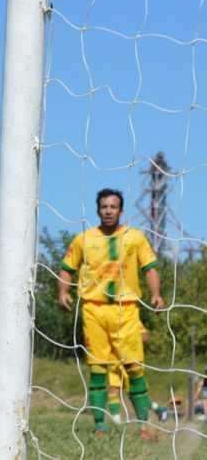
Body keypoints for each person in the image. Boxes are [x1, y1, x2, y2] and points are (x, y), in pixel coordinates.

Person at [58, 188, 164, 440]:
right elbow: (66, 268)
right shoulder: (83, 239)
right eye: (104, 207)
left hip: (126, 311)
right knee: (97, 369)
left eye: (113, 207)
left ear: (121, 211)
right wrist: (62, 292)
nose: (108, 211)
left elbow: (150, 268)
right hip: (93, 310)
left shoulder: (135, 238)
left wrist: (156, 294)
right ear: (98, 210)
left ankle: (144, 426)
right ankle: (99, 425)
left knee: (134, 368)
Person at [107, 325, 168, 424]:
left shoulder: (131, 318)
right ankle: (116, 422)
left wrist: (131, 340)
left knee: (133, 394)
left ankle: (153, 414)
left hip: (129, 360)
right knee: (113, 389)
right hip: (113, 360)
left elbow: (145, 336)